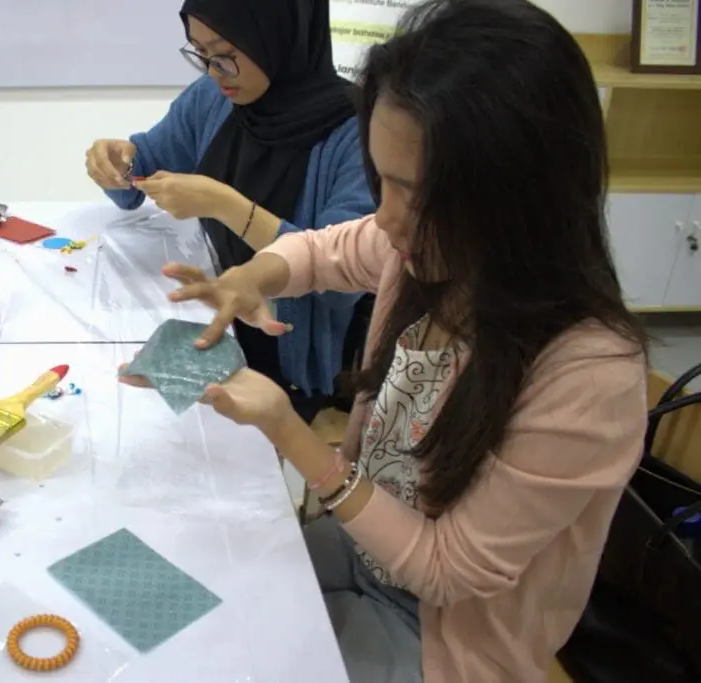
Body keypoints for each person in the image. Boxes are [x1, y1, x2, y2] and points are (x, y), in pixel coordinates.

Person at [120, 1, 649, 681]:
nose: (387, 220)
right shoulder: (423, 250)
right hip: (361, 547)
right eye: (381, 182)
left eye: (414, 194)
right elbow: (324, 249)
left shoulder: (589, 375)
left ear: (520, 196)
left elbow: (443, 571)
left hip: (441, 634)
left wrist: (290, 432)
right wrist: (251, 276)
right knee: (193, 601)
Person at [85, 0, 376, 424]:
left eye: (224, 54)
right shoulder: (213, 98)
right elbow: (145, 161)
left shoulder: (358, 131)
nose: (213, 71)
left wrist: (225, 205)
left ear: (277, 38)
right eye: (200, 52)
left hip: (292, 362)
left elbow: (343, 277)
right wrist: (116, 163)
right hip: (222, 322)